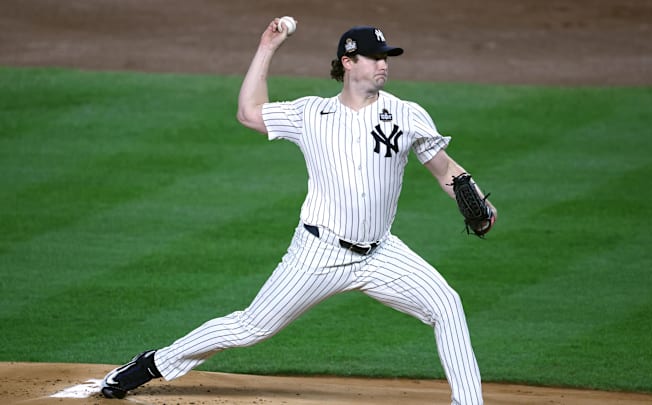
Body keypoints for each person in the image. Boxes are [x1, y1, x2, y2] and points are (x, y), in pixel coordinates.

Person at [100, 18, 496, 405]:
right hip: (317, 254)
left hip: (381, 253)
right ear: (348, 62)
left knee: (447, 305)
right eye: (375, 57)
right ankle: (152, 364)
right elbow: (249, 113)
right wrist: (267, 48)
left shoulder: (408, 114)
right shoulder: (311, 115)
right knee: (251, 327)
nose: (384, 64)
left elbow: (448, 171)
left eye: (386, 57)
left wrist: (480, 201)